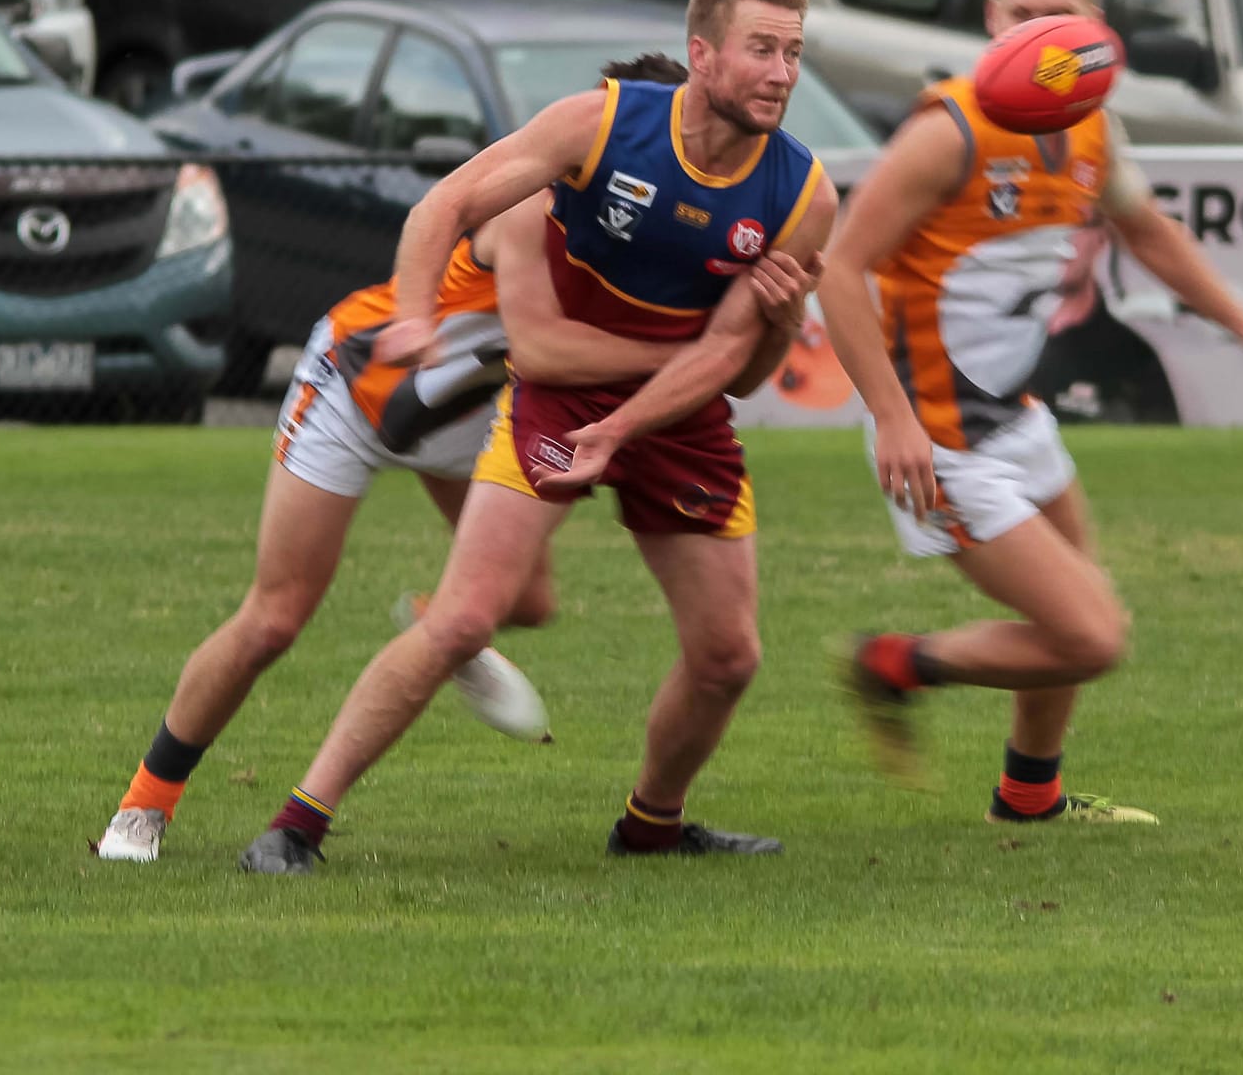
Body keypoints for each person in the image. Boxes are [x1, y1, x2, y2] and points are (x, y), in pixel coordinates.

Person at [94, 54, 812, 865]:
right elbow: (543, 347)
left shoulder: (677, 231)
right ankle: (144, 807)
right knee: (276, 616)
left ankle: (441, 623)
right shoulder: (537, 205)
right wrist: (699, 352)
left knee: (528, 604)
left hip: (465, 408)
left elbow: (718, 359)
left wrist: (744, 337)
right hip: (366, 385)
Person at [817, 0, 1243, 823]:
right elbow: (840, 266)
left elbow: (1147, 231)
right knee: (1092, 636)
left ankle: (1030, 798)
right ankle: (895, 665)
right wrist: (891, 417)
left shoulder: (1091, 125)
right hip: (936, 430)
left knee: (1070, 623)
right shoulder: (949, 129)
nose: (1041, 37)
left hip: (1012, 415)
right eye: (1023, 17)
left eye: (1061, 20)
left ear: (1094, 30)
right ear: (991, 22)